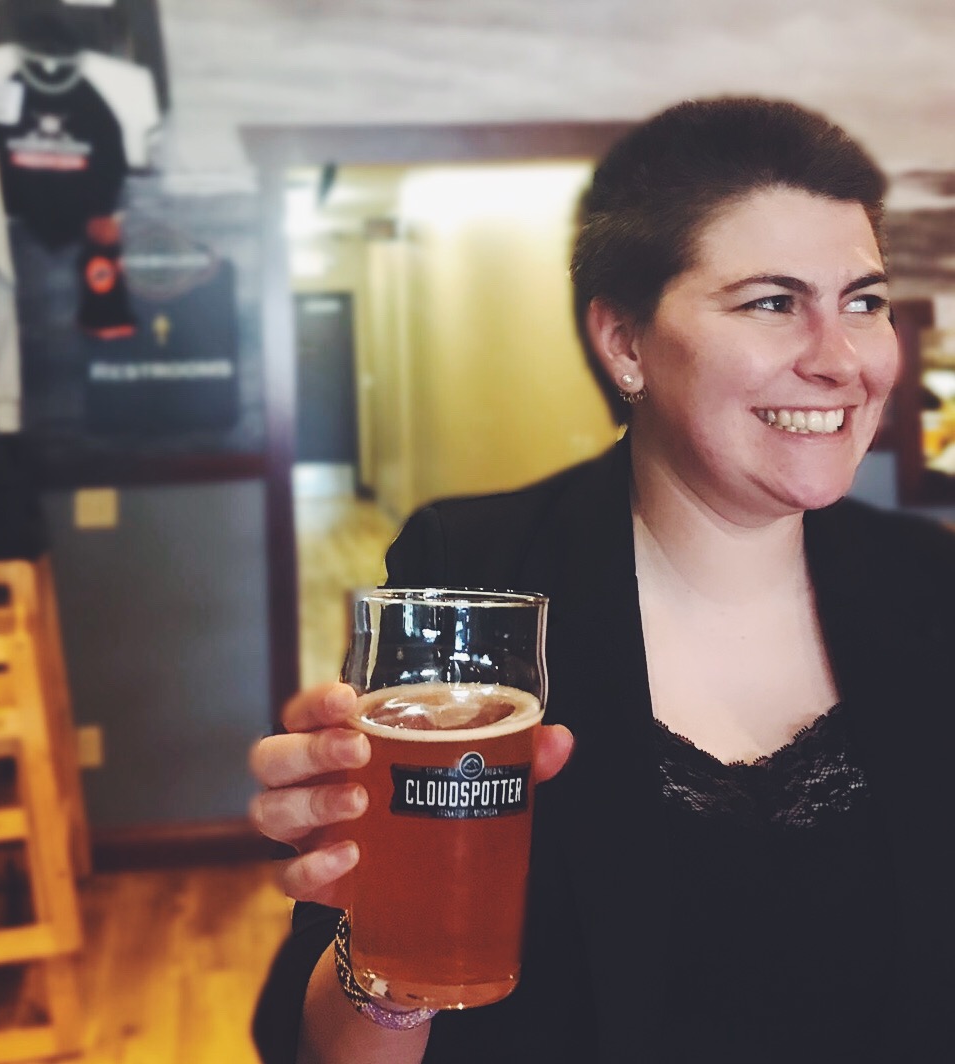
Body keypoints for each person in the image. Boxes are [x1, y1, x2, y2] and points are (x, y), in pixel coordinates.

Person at [249, 97, 955, 1063]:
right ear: (625, 343)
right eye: (772, 301)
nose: (840, 360)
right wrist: (384, 947)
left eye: (864, 302)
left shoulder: (931, 588)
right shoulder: (476, 576)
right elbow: (329, 1051)